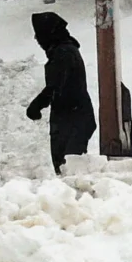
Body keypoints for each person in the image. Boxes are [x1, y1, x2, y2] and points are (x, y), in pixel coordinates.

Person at [26, 12, 97, 175]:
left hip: (72, 121)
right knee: (66, 169)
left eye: (39, 34)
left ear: (48, 33)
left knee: (68, 170)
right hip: (72, 118)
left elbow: (56, 86)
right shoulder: (64, 50)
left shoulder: (64, 53)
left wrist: (36, 105)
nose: (37, 40)